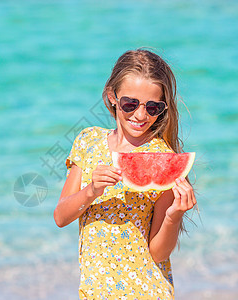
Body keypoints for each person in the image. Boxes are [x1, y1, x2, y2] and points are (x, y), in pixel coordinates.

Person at [53, 48, 196, 299]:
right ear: (112, 97)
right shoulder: (88, 141)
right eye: (130, 104)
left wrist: (174, 216)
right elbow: (61, 216)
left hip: (147, 291)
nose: (140, 115)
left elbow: (158, 253)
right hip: (96, 291)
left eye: (153, 107)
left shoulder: (164, 159)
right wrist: (91, 191)